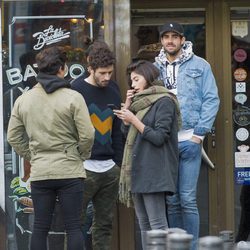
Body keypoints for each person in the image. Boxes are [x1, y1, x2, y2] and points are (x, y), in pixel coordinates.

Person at [7, 46, 95, 250]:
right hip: (70, 169)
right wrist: (80, 155)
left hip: (41, 171)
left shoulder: (24, 100)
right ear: (63, 69)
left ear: (39, 69)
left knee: (40, 227)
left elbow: (13, 136)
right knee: (73, 227)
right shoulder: (73, 97)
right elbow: (88, 134)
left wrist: (32, 155)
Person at [154, 21, 220, 250]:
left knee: (188, 200)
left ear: (183, 39)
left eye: (174, 36)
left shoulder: (200, 65)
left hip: (190, 139)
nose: (170, 40)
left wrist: (198, 135)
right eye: (166, 37)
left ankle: (191, 247)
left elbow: (212, 99)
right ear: (161, 41)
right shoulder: (154, 67)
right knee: (171, 201)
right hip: (165, 142)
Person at [114, 60, 180, 250]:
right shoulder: (139, 103)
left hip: (154, 169)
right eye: (131, 81)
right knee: (144, 225)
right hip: (138, 169)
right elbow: (127, 136)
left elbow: (159, 137)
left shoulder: (165, 101)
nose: (133, 84)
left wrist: (133, 119)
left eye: (136, 79)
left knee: (158, 225)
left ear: (148, 76)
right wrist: (128, 107)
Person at [71, 42, 124, 250]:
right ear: (90, 67)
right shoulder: (76, 89)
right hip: (83, 168)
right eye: (102, 73)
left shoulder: (114, 88)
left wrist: (117, 164)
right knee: (75, 224)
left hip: (109, 168)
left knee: (105, 224)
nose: (107, 77)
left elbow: (117, 127)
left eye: (110, 72)